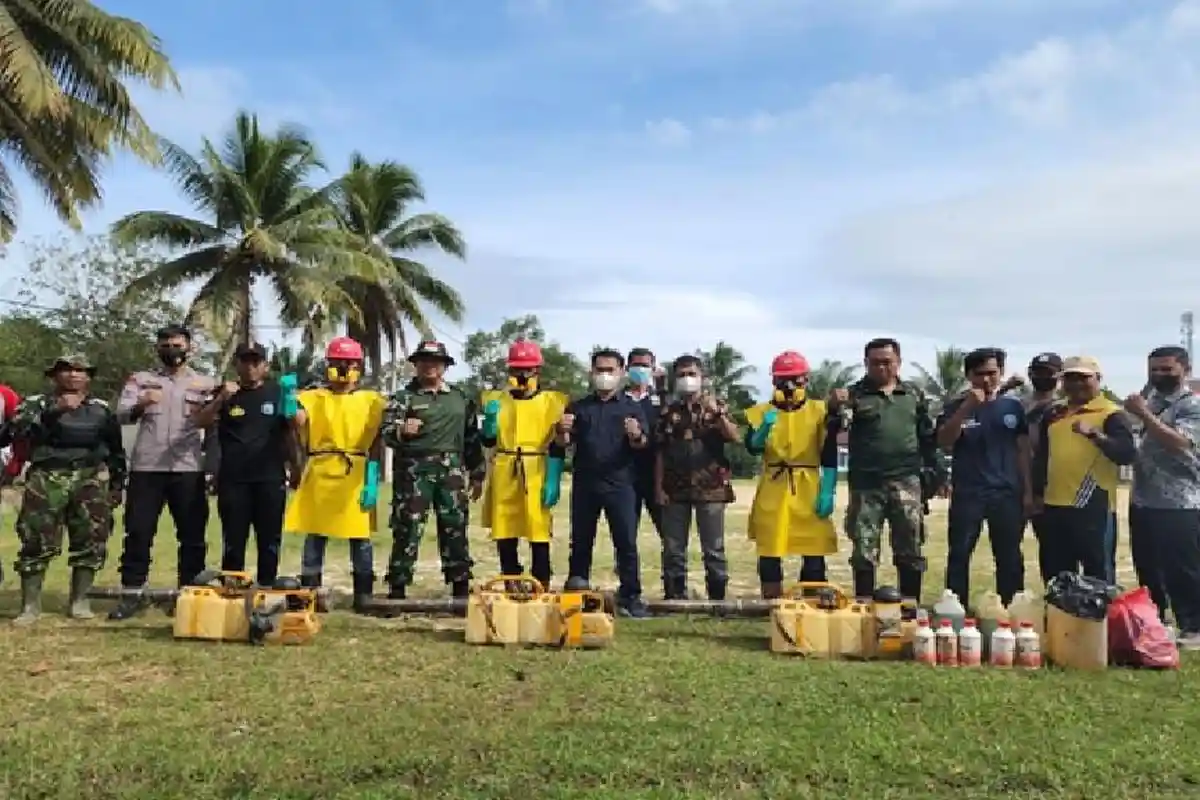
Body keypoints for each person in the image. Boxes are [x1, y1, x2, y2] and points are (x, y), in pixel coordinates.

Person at [0, 355, 125, 624]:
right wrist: (55, 410)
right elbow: (16, 430)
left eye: (80, 370)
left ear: (89, 378)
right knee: (36, 539)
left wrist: (117, 483)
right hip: (47, 476)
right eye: (66, 370)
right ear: (54, 376)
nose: (73, 375)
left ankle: (80, 601)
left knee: (92, 538)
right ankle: (30, 606)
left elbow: (115, 448)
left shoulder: (101, 409)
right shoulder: (36, 404)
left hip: (90, 477)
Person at [109, 325, 217, 621]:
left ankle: (190, 595)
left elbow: (214, 426)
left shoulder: (204, 383)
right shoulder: (141, 380)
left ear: (190, 348)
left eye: (177, 345)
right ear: (157, 349)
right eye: (166, 345)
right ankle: (132, 594)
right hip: (147, 467)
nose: (172, 350)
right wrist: (140, 404)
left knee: (192, 535)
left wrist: (213, 467)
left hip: (188, 468)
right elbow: (119, 414)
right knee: (139, 532)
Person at [831, 338, 939, 601]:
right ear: (866, 363)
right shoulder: (853, 395)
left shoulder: (914, 394)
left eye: (887, 362)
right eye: (875, 362)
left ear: (898, 363)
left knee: (910, 546)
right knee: (864, 550)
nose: (881, 368)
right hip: (867, 485)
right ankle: (864, 605)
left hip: (907, 481)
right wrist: (834, 407)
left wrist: (936, 471)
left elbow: (927, 436)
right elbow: (834, 430)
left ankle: (910, 606)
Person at [283, 336, 385, 612]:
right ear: (327, 365)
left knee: (359, 537)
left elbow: (377, 442)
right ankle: (310, 589)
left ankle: (363, 594)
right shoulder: (314, 396)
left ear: (359, 366)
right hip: (321, 468)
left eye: (349, 363)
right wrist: (289, 401)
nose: (343, 369)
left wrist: (372, 481)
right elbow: (297, 422)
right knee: (315, 534)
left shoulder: (372, 400)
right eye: (337, 363)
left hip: (356, 471)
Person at [381, 341, 485, 601]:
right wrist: (401, 430)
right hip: (414, 471)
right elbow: (385, 434)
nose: (430, 366)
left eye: (436, 361)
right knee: (408, 527)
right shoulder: (404, 398)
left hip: (451, 470)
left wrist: (477, 472)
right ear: (416, 365)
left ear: (445, 366)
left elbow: (471, 437)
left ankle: (460, 582)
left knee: (455, 526)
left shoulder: (460, 398)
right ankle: (398, 585)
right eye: (424, 361)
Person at [193, 343, 299, 587]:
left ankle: (267, 585)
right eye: (245, 361)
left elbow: (295, 428)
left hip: (270, 477)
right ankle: (232, 584)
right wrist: (221, 399)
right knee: (234, 536)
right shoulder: (226, 392)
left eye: (256, 362)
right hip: (233, 479)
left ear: (265, 366)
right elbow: (199, 421)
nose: (250, 368)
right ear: (236, 364)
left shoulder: (278, 393)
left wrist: (296, 466)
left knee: (270, 537)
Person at [936, 348, 1032, 606]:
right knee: (959, 554)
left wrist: (1028, 491)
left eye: (992, 373)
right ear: (969, 376)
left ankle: (1011, 607)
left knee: (1009, 555)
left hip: (1006, 493)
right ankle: (955, 608)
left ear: (1001, 372)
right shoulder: (955, 406)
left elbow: (1023, 450)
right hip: (969, 493)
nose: (986, 380)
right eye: (980, 374)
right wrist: (967, 408)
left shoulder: (1013, 407)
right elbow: (945, 442)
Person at [558, 348, 650, 617]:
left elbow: (643, 444)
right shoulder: (579, 406)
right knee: (581, 540)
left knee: (626, 543)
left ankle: (631, 596)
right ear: (591, 373)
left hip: (621, 485)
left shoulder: (631, 408)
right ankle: (578, 592)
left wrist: (635, 435)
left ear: (621, 373)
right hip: (585, 483)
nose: (605, 375)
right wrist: (561, 431)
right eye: (600, 370)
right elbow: (564, 443)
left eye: (610, 370)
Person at [742, 351, 840, 599]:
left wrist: (828, 490)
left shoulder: (820, 411)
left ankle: (811, 603)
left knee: (813, 547)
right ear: (773, 381)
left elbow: (829, 453)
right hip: (774, 485)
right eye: (782, 379)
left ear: (806, 380)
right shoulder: (759, 412)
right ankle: (772, 604)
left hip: (808, 484)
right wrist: (764, 427)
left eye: (796, 379)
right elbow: (752, 447)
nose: (789, 386)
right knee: (770, 548)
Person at [1032, 356, 1136, 582]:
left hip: (1093, 507)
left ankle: (1097, 618)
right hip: (1053, 506)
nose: (1076, 384)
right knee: (1056, 574)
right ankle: (1062, 617)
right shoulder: (1054, 413)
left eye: (1083, 377)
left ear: (1098, 379)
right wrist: (1036, 493)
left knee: (1097, 575)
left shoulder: (1112, 413)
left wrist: (1095, 435)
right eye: (1069, 378)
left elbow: (1126, 454)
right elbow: (1042, 456)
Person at [1124, 346, 1200, 647]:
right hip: (1143, 498)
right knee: (1148, 566)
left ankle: (1193, 627)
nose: (1159, 375)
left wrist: (1142, 413)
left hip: (1180, 501)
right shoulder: (1152, 400)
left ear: (1185, 369)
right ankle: (1155, 621)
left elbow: (1179, 443)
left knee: (1182, 568)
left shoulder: (1190, 405)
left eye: (1167, 369)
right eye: (1154, 369)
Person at [478, 339, 568, 587]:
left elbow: (559, 444)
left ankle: (542, 579)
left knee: (538, 529)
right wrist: (489, 424)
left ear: (537, 371)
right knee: (505, 526)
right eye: (516, 370)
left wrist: (553, 479)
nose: (521, 375)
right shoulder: (495, 400)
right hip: (505, 465)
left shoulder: (553, 402)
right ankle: (511, 578)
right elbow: (487, 441)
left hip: (536, 466)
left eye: (526, 370)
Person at [652, 354, 739, 600]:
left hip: (711, 487)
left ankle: (717, 599)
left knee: (714, 548)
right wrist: (658, 487)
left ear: (703, 378)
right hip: (674, 488)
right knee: (673, 548)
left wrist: (719, 415)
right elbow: (660, 451)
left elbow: (734, 437)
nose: (687, 379)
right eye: (681, 375)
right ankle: (675, 597)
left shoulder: (716, 406)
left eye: (692, 374)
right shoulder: (668, 410)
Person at [1021, 352, 1063, 583]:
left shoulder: (1065, 406)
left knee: (1053, 551)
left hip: (1051, 486)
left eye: (1048, 372)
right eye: (1037, 372)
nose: (1042, 377)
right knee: (1009, 551)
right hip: (1017, 481)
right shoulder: (1018, 404)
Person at [626, 347, 666, 539]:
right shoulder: (618, 400)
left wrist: (662, 387)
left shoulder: (661, 401)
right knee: (626, 530)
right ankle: (625, 568)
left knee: (667, 530)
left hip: (655, 473)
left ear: (652, 368)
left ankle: (672, 568)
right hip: (625, 474)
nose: (640, 369)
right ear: (627, 368)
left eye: (645, 365)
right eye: (636, 365)